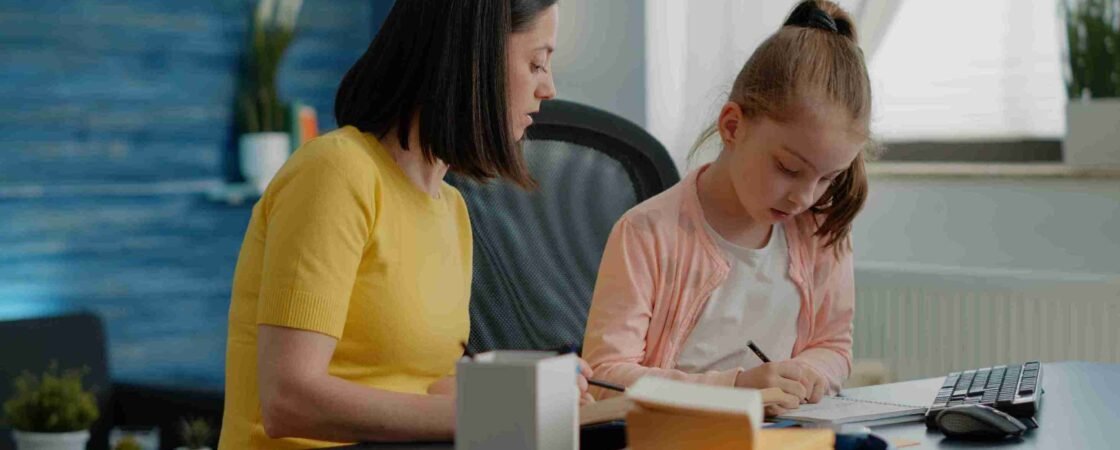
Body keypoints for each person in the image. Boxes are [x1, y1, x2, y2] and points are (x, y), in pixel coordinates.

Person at [218, 1, 593, 448]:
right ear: (475, 60)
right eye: (536, 63)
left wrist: (535, 390)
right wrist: (491, 413)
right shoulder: (336, 173)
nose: (548, 87)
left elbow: (420, 386)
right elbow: (288, 398)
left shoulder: (450, 208)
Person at [581, 0, 874, 417]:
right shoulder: (645, 234)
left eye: (828, 178)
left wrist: (807, 374)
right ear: (733, 126)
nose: (805, 198)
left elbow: (832, 346)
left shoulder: (822, 235)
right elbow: (606, 378)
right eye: (789, 169)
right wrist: (735, 388)